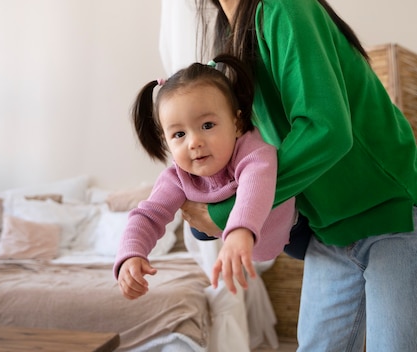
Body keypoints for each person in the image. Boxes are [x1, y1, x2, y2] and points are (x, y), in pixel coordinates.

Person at [180, 0, 417, 351]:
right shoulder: (227, 45)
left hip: (394, 215)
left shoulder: (283, 7)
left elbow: (326, 130)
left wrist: (230, 211)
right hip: (329, 231)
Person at [114, 54, 296, 300]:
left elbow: (255, 187)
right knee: (197, 229)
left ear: (237, 124)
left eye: (208, 125)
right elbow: (147, 215)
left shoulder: (254, 153)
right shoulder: (177, 177)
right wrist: (131, 255)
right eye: (179, 134)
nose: (194, 142)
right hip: (253, 242)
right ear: (166, 142)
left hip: (298, 230)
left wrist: (239, 231)